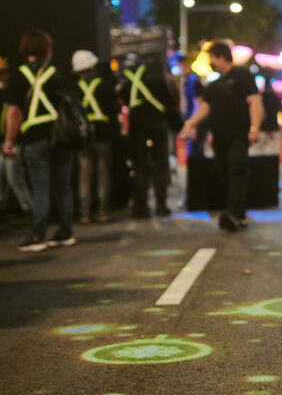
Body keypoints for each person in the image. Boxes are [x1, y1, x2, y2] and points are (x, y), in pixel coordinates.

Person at [2, 29, 76, 251]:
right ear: (47, 50)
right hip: (61, 137)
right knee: (63, 187)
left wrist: (8, 141)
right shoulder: (58, 74)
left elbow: (14, 113)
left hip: (34, 138)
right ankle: (65, 231)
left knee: (40, 188)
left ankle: (38, 235)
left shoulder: (17, 76)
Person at [180, 40, 263, 232]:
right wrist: (190, 123)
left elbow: (254, 102)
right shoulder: (215, 84)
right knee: (223, 172)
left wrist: (254, 128)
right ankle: (237, 212)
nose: (211, 63)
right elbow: (205, 108)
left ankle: (235, 213)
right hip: (220, 137)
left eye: (212, 58)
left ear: (221, 57)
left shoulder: (242, 76)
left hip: (239, 134)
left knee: (236, 170)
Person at [118, 53, 177, 218]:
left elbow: (122, 100)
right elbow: (169, 101)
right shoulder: (155, 78)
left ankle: (141, 207)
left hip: (137, 127)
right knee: (160, 166)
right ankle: (161, 205)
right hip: (157, 125)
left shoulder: (126, 82)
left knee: (140, 166)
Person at [71, 49, 117, 223]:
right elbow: (114, 109)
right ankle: (102, 210)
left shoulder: (75, 89)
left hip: (83, 137)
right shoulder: (105, 86)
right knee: (103, 171)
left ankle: (84, 213)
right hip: (102, 133)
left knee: (84, 173)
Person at [0, 57, 32, 224]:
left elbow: (15, 116)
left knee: (14, 177)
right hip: (5, 141)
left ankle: (29, 211)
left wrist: (9, 142)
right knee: (2, 178)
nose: (4, 76)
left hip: (13, 141)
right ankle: (3, 211)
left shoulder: (12, 91)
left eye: (5, 73)